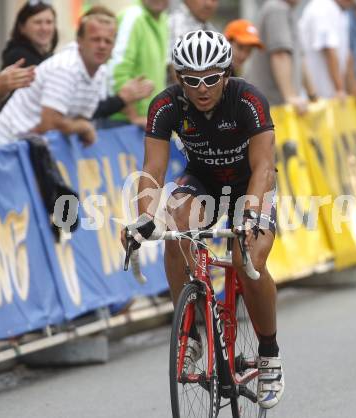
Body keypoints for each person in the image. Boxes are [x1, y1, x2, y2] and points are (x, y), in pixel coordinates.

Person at [122, 30, 284, 409]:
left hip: (250, 185)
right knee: (176, 223)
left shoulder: (247, 98)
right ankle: (191, 332)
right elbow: (153, 168)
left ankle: (269, 352)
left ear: (225, 73)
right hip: (204, 181)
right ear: (179, 78)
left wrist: (252, 214)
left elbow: (264, 165)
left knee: (249, 262)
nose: (201, 88)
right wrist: (145, 216)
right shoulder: (165, 105)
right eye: (190, 80)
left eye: (211, 77)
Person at [0, 13, 116, 147]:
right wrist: (84, 127)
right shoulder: (65, 67)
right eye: (95, 39)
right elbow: (49, 125)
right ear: (79, 41)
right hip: (7, 147)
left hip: (31, 147)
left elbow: (78, 118)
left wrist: (81, 125)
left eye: (108, 41)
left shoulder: (100, 71)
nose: (102, 46)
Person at [244, 0, 317, 114]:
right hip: (270, 110)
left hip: (275, 109)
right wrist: (290, 97)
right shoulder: (277, 9)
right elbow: (280, 54)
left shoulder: (287, 11)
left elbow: (299, 60)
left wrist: (312, 95)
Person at [108, 0, 169, 127]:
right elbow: (114, 71)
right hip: (122, 122)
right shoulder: (132, 17)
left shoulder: (163, 19)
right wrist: (133, 115)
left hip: (148, 121)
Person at [299, 0, 356, 104]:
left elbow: (346, 54)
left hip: (331, 98)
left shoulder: (341, 12)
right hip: (317, 98)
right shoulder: (321, 8)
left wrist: (354, 90)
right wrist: (339, 89)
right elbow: (329, 50)